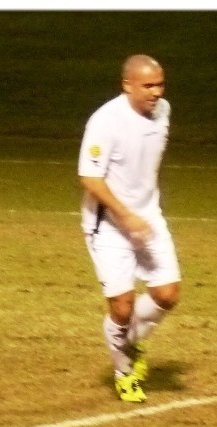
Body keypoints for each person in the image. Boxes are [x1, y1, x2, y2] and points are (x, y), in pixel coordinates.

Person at [78, 55, 181, 403]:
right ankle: (124, 373)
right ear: (127, 86)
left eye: (160, 84)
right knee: (121, 307)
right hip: (108, 224)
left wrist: (142, 210)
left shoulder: (163, 111)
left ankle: (129, 341)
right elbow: (90, 177)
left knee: (167, 294)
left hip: (148, 217)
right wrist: (125, 215)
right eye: (147, 85)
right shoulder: (105, 122)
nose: (156, 92)